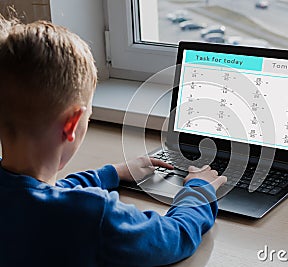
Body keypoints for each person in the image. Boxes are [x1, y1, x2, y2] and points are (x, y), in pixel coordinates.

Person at [0, 15, 227, 267]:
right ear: (71, 124)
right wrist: (198, 191)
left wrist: (111, 174)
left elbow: (42, 195)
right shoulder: (92, 217)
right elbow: (174, 236)